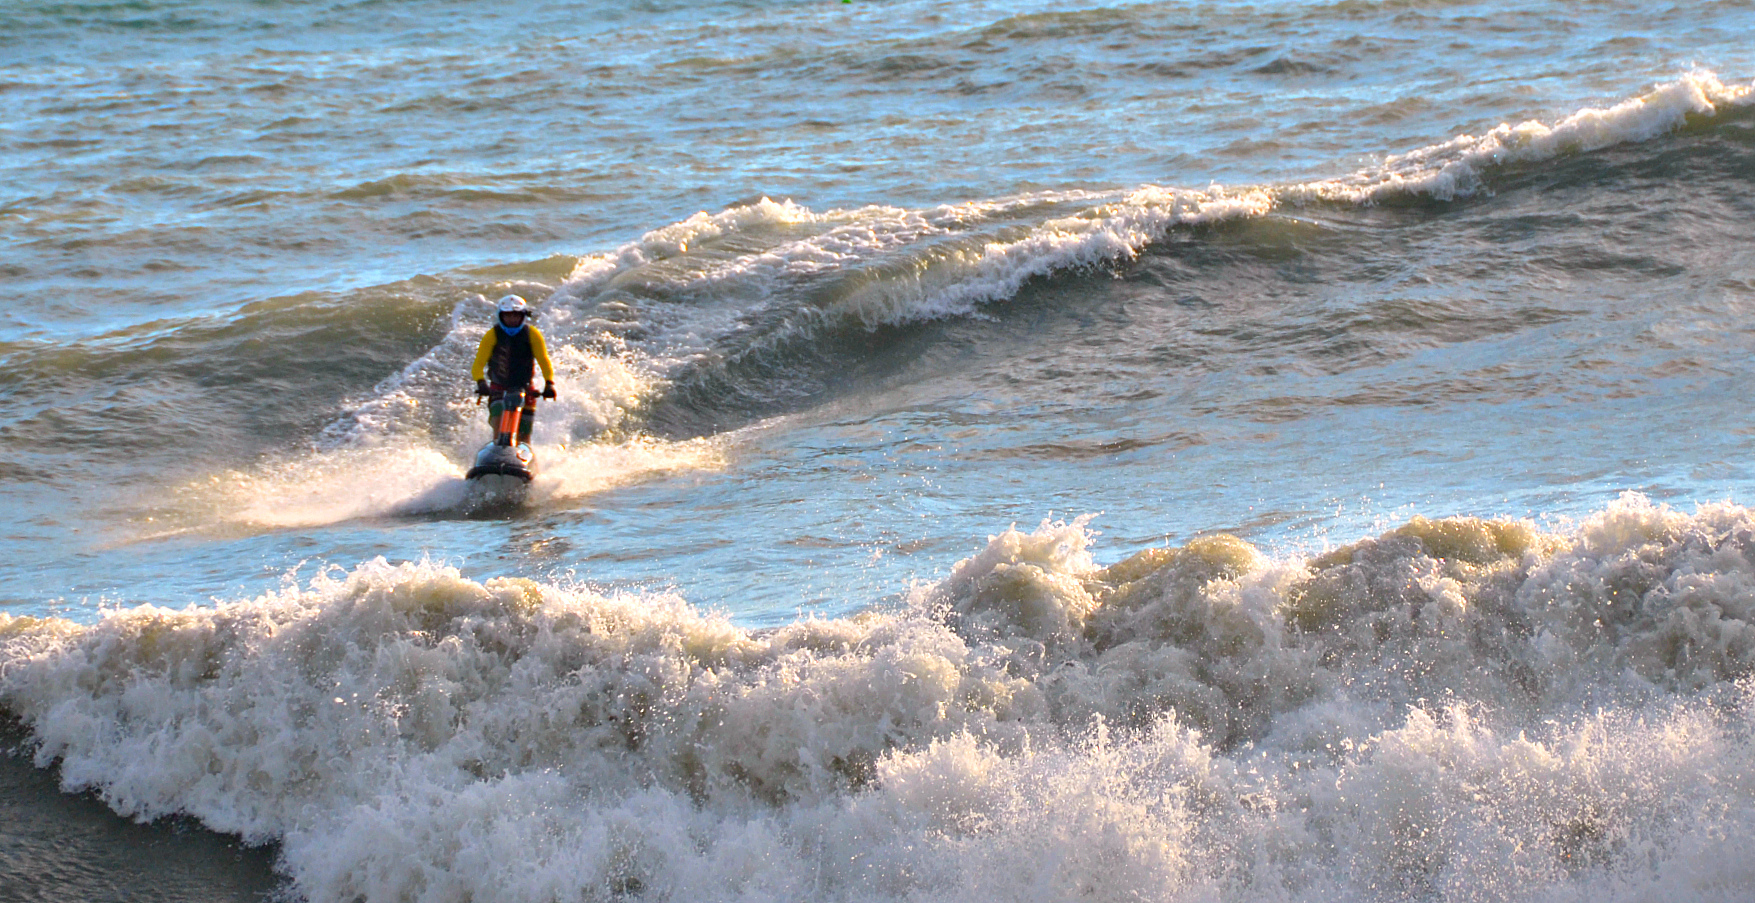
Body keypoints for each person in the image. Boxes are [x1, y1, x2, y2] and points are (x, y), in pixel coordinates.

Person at [471, 295, 556, 444]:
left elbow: (544, 361)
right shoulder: (492, 335)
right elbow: (478, 364)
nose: (512, 319)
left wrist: (549, 383)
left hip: (525, 390)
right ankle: (496, 455)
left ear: (523, 316)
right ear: (501, 316)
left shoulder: (533, 334)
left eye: (516, 315)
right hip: (498, 389)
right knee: (499, 429)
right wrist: (481, 382)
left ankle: (525, 460)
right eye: (508, 316)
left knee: (524, 437)